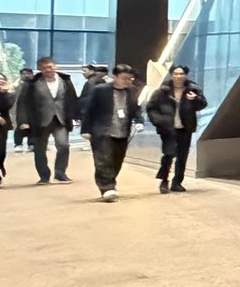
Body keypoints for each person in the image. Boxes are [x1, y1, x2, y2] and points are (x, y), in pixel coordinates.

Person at [79, 63, 141, 202]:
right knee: (103, 160)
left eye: (130, 79)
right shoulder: (100, 90)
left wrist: (139, 121)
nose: (127, 81)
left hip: (122, 131)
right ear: (115, 76)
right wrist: (85, 129)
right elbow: (89, 110)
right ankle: (107, 188)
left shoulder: (132, 91)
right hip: (102, 130)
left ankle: (110, 183)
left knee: (117, 160)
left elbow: (136, 109)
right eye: (124, 78)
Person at [16, 56, 79, 184]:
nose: (48, 70)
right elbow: (23, 103)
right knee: (39, 149)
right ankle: (44, 176)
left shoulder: (65, 81)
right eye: (44, 68)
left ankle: (60, 174)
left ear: (55, 67)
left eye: (50, 67)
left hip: (61, 119)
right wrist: (23, 121)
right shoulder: (32, 83)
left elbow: (72, 99)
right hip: (39, 121)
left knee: (63, 145)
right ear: (40, 69)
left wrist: (76, 116)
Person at [146, 65, 207, 194]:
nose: (178, 76)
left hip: (185, 128)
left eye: (181, 74)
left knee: (182, 156)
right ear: (171, 75)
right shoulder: (163, 91)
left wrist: (195, 99)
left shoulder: (193, 89)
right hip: (168, 129)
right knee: (168, 154)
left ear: (185, 75)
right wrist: (159, 121)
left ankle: (177, 182)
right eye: (175, 73)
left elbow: (202, 104)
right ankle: (164, 181)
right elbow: (151, 108)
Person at [10, 67, 35, 151]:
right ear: (20, 75)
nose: (26, 75)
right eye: (24, 74)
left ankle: (31, 144)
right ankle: (18, 144)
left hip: (33, 109)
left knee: (33, 127)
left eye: (28, 73)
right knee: (19, 126)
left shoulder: (36, 84)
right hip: (19, 108)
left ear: (32, 74)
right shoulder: (15, 85)